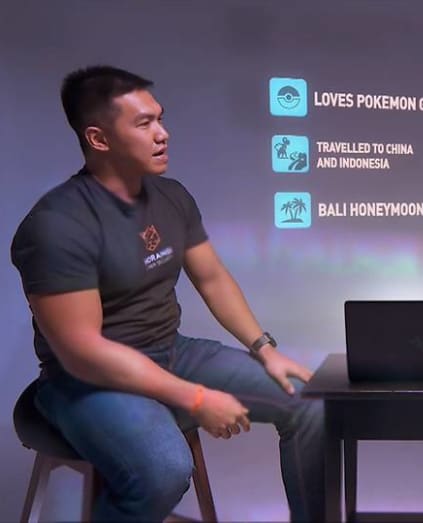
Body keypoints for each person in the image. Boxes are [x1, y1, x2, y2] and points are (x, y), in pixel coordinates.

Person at [10, 65, 324, 522]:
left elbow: (212, 278)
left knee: (309, 403)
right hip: (84, 382)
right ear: (99, 139)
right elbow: (84, 353)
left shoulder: (171, 197)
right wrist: (196, 398)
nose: (163, 133)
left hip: (171, 353)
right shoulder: (56, 225)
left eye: (160, 118)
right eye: (144, 124)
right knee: (163, 470)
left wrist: (265, 348)